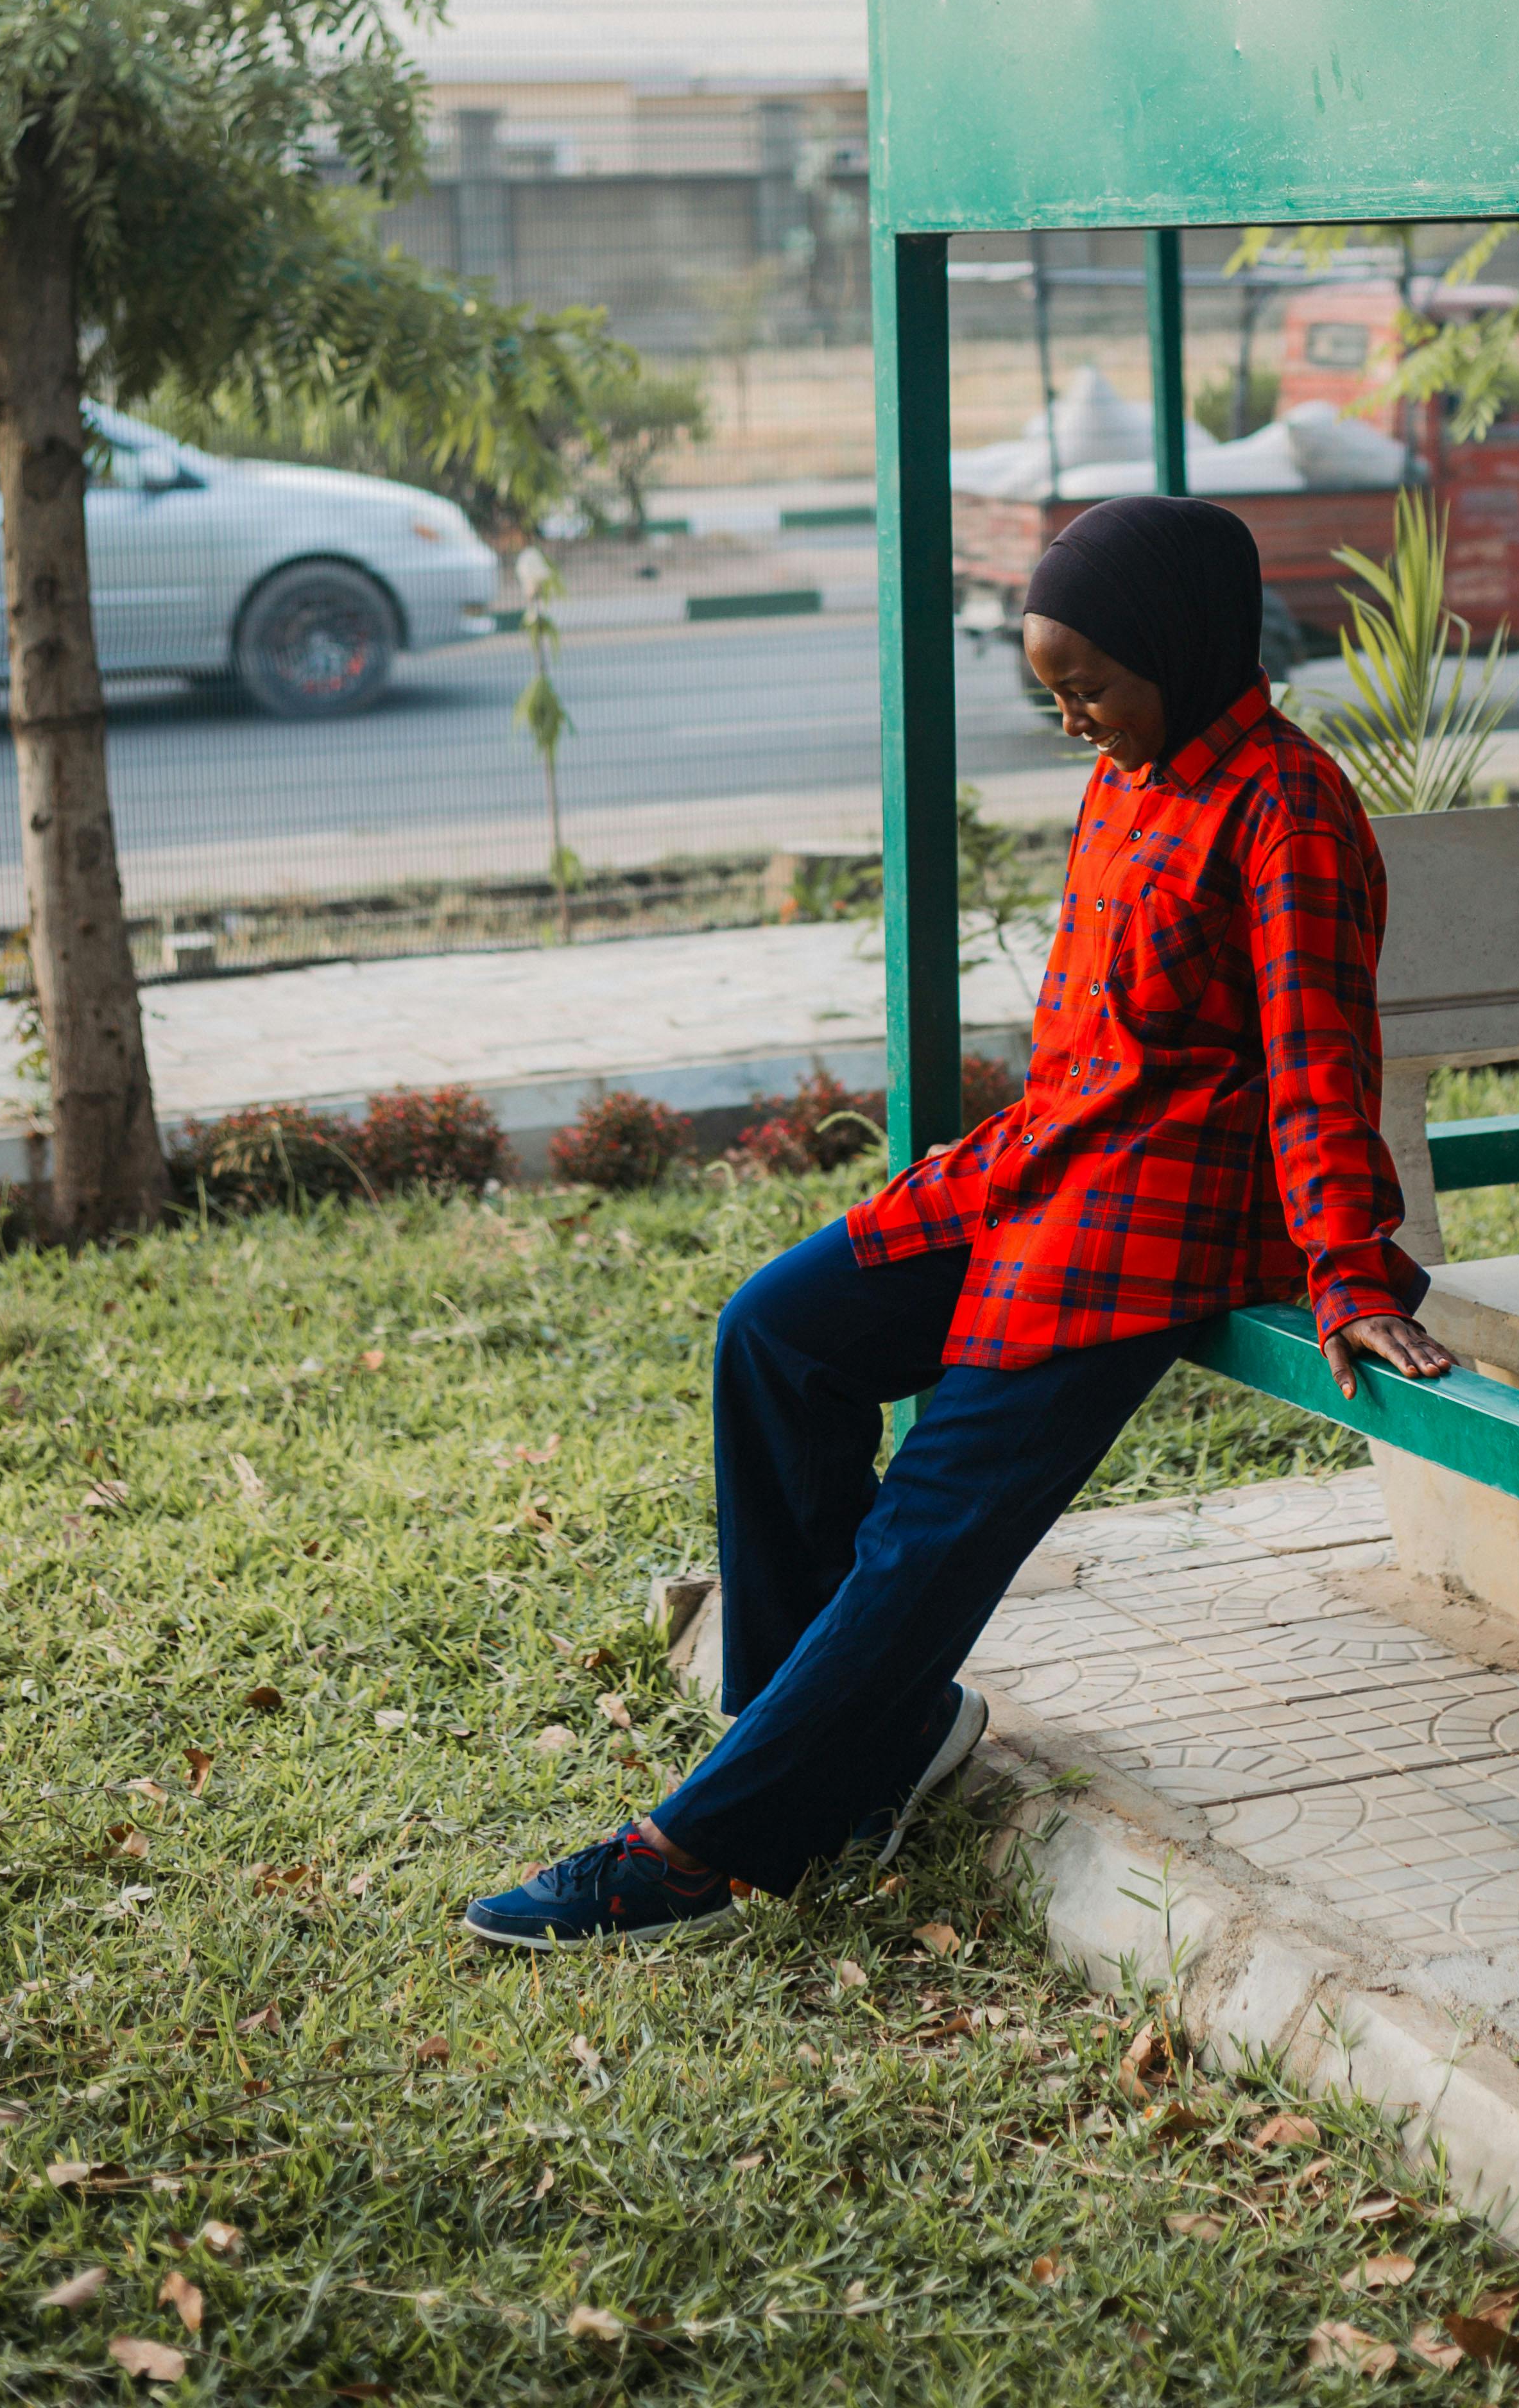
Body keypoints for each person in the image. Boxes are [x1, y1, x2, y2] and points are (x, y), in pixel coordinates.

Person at [464, 494, 1454, 1949]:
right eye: (1054, 693)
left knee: (931, 1515)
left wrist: (1351, 1266)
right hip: (1048, 1161)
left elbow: (1319, 1060)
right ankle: (854, 1744)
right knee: (777, 1334)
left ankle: (700, 1850)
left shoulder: (1286, 811)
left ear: (1183, 649)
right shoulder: (1133, 772)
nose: (1070, 720)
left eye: (1089, 688)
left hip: (1160, 1215)